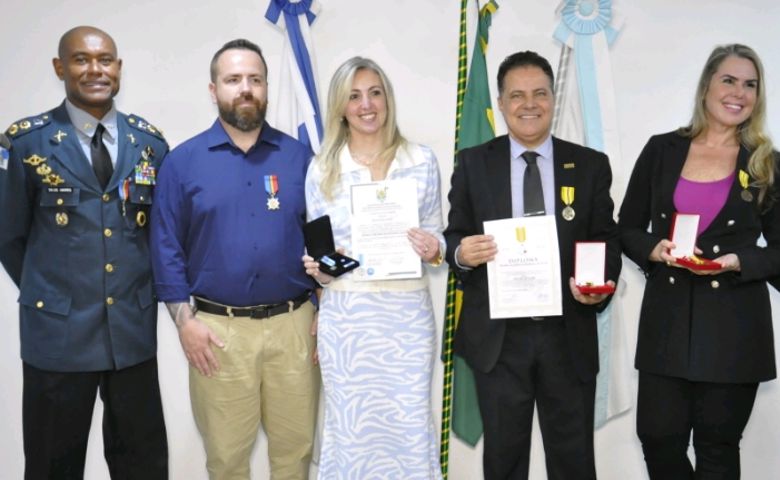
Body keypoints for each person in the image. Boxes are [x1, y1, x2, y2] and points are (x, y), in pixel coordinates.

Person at [443, 50, 621, 480]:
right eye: (517, 95)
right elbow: (453, 237)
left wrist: (597, 283)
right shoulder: (472, 163)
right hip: (500, 341)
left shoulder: (590, 165)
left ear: (553, 99)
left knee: (574, 462)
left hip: (567, 334)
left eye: (540, 93)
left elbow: (606, 240)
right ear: (501, 103)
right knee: (503, 463)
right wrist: (462, 254)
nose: (529, 104)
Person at [0, 26, 168, 479]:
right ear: (60, 68)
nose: (96, 70)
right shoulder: (25, 143)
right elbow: (9, 237)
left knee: (143, 465)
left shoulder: (149, 144)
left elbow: (156, 237)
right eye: (81, 59)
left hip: (130, 335)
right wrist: (54, 291)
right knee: (53, 466)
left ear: (118, 68)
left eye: (106, 60)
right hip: (58, 337)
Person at [150, 39, 319, 480]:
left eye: (255, 79)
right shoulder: (182, 162)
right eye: (233, 79)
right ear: (213, 90)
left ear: (265, 87)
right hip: (217, 333)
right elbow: (165, 247)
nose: (245, 88)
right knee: (226, 460)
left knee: (296, 453)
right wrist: (185, 323)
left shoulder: (299, 158)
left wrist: (324, 304)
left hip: (294, 327)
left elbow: (324, 239)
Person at [619, 43, 780, 479]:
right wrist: (653, 249)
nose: (739, 92)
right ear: (707, 84)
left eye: (750, 84)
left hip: (734, 328)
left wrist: (739, 261)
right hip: (667, 324)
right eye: (729, 79)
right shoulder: (662, 150)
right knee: (657, 438)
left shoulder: (767, 163)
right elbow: (627, 227)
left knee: (717, 448)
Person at [301, 56, 444, 479]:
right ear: (341, 107)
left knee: (409, 427)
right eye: (354, 96)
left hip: (406, 320)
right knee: (350, 432)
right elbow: (323, 263)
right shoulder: (321, 168)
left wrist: (432, 246)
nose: (367, 105)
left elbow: (437, 241)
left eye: (375, 93)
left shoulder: (421, 160)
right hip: (348, 323)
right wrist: (321, 270)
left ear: (388, 99)